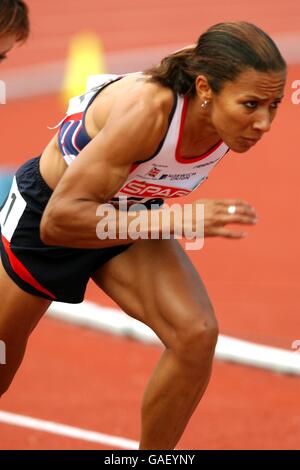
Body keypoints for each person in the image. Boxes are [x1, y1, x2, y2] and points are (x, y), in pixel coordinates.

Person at [0, 22, 286, 449]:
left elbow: (207, 52)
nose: (263, 122)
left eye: (274, 105)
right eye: (250, 105)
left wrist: (157, 219)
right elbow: (59, 221)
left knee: (196, 335)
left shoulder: (226, 102)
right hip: (50, 217)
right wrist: (177, 220)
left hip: (128, 216)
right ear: (206, 90)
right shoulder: (149, 112)